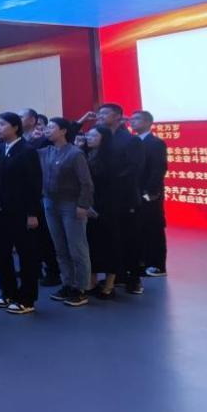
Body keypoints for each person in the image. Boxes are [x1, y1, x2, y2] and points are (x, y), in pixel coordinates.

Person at [82, 103, 146, 295]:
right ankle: (111, 277)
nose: (100, 116)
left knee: (128, 239)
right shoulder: (96, 137)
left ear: (118, 116)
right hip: (100, 199)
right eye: (99, 113)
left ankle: (133, 279)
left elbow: (134, 169)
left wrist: (109, 180)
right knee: (105, 240)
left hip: (123, 198)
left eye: (105, 113)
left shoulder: (130, 140)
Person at [0, 112, 44, 315]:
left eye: (2, 124)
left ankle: (27, 298)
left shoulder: (27, 151)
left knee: (26, 255)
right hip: (0, 210)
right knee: (3, 254)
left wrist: (32, 213)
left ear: (15, 127)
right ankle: (9, 293)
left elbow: (34, 184)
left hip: (21, 211)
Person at [40, 117, 94, 306]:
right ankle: (67, 283)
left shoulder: (75, 153)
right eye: (46, 127)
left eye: (51, 127)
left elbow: (86, 183)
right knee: (60, 248)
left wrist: (83, 205)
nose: (47, 130)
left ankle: (81, 288)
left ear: (63, 131)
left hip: (71, 204)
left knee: (77, 248)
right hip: (50, 203)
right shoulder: (45, 152)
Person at [21, 108, 62, 286]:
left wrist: (34, 141)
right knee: (31, 237)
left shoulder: (43, 140)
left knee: (45, 236)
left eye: (21, 116)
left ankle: (53, 271)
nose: (18, 119)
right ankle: (34, 268)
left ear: (32, 120)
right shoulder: (20, 138)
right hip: (24, 192)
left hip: (41, 191)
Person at [82, 125, 121, 299]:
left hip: (108, 207)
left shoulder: (112, 158)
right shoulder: (86, 154)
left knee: (110, 245)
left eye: (93, 136)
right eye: (88, 135)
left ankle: (109, 285)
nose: (88, 138)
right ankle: (92, 281)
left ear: (103, 138)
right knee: (92, 244)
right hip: (89, 206)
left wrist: (97, 207)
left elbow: (113, 187)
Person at [130, 110, 169, 277]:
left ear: (147, 122)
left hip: (150, 193)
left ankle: (157, 265)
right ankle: (142, 261)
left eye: (137, 119)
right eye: (131, 119)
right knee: (139, 227)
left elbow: (158, 169)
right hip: (135, 193)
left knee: (153, 227)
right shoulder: (133, 141)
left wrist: (150, 193)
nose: (132, 121)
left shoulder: (155, 143)